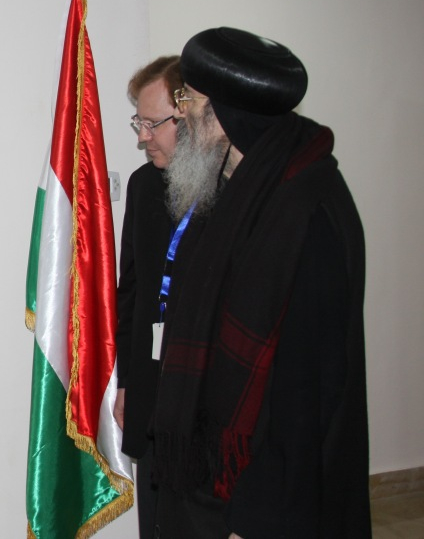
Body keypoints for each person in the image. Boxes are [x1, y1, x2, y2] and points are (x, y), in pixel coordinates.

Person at [150, 27, 370, 538]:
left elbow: (303, 388)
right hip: (219, 474)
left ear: (227, 115)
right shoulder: (237, 188)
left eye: (189, 99)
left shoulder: (303, 209)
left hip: (266, 495)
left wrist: (255, 520)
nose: (181, 113)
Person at [114, 55, 181, 539]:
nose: (142, 137)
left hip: (201, 394)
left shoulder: (232, 191)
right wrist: (126, 381)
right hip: (151, 382)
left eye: (152, 124)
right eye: (138, 122)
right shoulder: (142, 186)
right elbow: (133, 291)